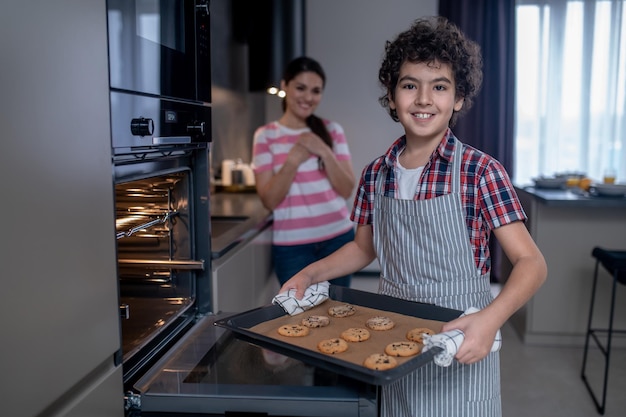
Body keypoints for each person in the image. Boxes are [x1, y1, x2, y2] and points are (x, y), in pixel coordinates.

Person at [279, 17, 548, 417]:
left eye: (439, 86)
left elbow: (532, 263)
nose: (424, 99)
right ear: (391, 96)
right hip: (395, 329)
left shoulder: (480, 171)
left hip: (461, 335)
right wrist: (312, 274)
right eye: (410, 85)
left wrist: (491, 320)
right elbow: (362, 248)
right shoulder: (376, 173)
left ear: (458, 98)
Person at [252, 56, 356, 287]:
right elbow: (269, 200)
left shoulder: (332, 130)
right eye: (301, 88)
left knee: (337, 314)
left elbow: (347, 189)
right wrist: (293, 160)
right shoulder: (265, 136)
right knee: (297, 316)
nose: (308, 97)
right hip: (293, 247)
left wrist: (324, 151)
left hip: (338, 239)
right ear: (285, 86)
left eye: (316, 91)